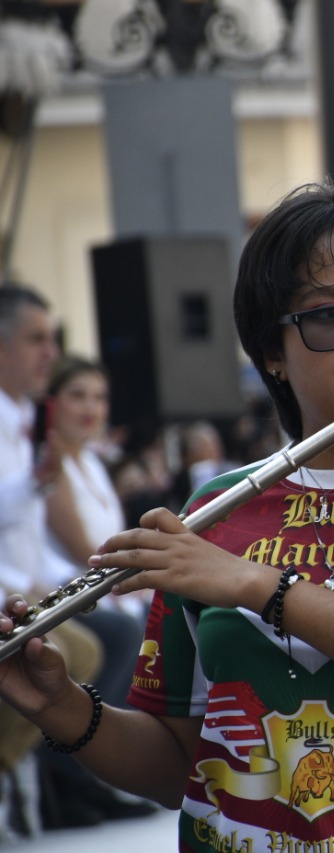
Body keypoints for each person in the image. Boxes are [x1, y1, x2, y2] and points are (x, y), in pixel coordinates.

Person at [0, 182, 334, 851]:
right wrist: (60, 705)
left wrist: (258, 585)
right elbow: (183, 764)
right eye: (327, 318)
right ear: (270, 353)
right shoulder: (212, 513)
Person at [0, 284, 107, 841]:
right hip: (8, 595)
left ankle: (69, 778)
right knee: (75, 648)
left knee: (83, 649)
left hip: (20, 589)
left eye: (52, 339)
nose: (49, 354)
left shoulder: (20, 419)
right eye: (36, 339)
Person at [37, 355, 156, 829]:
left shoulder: (90, 461)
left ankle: (111, 768)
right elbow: (82, 547)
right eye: (78, 395)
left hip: (94, 590)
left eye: (99, 397)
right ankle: (73, 773)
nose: (91, 407)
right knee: (129, 631)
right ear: (54, 402)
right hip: (59, 594)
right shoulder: (50, 461)